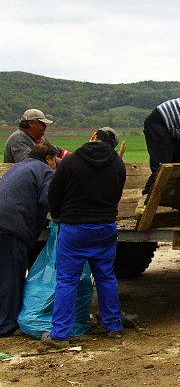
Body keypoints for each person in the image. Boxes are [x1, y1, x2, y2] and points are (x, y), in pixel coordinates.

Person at [43, 128, 126, 347]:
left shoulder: (71, 162)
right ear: (113, 145)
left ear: (93, 137)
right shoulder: (118, 164)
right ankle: (113, 326)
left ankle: (60, 334)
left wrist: (58, 215)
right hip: (105, 227)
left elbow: (54, 194)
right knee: (106, 277)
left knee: (67, 280)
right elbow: (116, 194)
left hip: (74, 229)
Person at [0, 143, 58, 336]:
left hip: (5, 223)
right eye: (55, 160)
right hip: (12, 227)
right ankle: (6, 325)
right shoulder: (44, 170)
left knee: (3, 274)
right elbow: (49, 200)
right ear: (48, 158)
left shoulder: (17, 167)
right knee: (12, 277)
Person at [4, 109, 69, 164]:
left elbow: (56, 151)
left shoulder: (40, 139)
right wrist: (60, 162)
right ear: (31, 124)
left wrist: (72, 158)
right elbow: (28, 163)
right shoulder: (19, 139)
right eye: (42, 123)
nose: (45, 126)